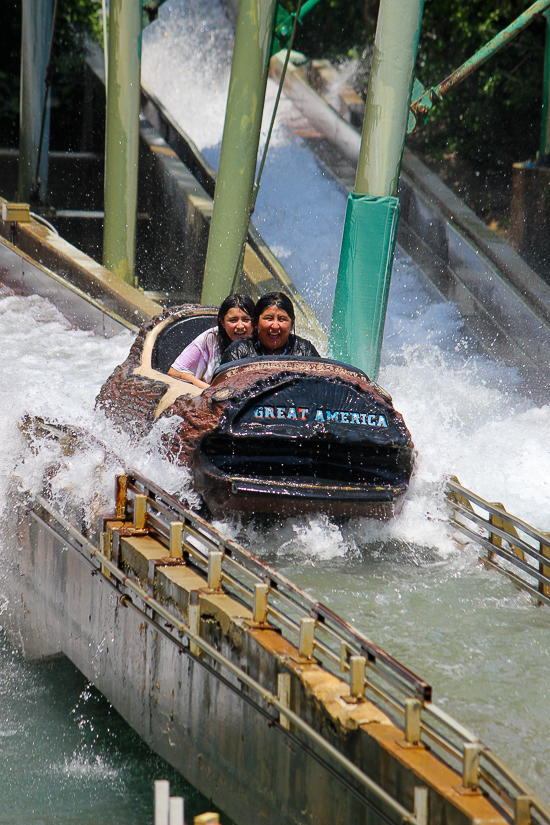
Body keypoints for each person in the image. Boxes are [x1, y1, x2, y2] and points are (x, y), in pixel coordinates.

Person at [168, 293, 254, 389]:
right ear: (222, 322)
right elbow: (174, 371)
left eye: (246, 320)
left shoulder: (262, 341)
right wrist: (211, 390)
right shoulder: (209, 339)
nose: (240, 326)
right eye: (233, 320)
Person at [220, 291, 319, 364]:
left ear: (292, 324)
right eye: (269, 318)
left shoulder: (305, 351)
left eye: (282, 319)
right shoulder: (238, 351)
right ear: (256, 323)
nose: (275, 326)